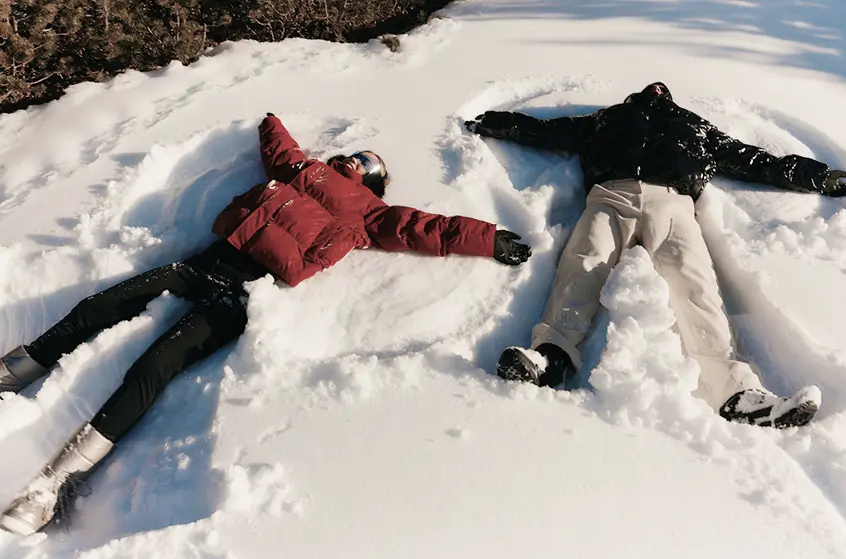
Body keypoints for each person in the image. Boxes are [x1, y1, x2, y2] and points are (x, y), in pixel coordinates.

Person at [0, 113, 532, 536]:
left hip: (240, 296)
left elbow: (427, 228)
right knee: (102, 304)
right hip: (203, 264)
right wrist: (269, 115)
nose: (354, 157)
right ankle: (17, 369)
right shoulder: (303, 170)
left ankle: (51, 486)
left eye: (367, 159)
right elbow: (278, 144)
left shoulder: (370, 216)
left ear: (375, 179)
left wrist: (489, 238)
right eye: (355, 151)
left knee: (154, 366)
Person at [465, 82, 846, 430]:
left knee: (694, 281)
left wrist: (814, 176)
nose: (655, 92)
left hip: (673, 205)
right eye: (649, 91)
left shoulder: (695, 128)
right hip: (610, 195)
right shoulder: (608, 119)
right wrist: (498, 123)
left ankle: (736, 392)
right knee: (583, 263)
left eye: (660, 91)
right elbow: (549, 131)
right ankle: (549, 358)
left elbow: (753, 160)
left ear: (668, 100)